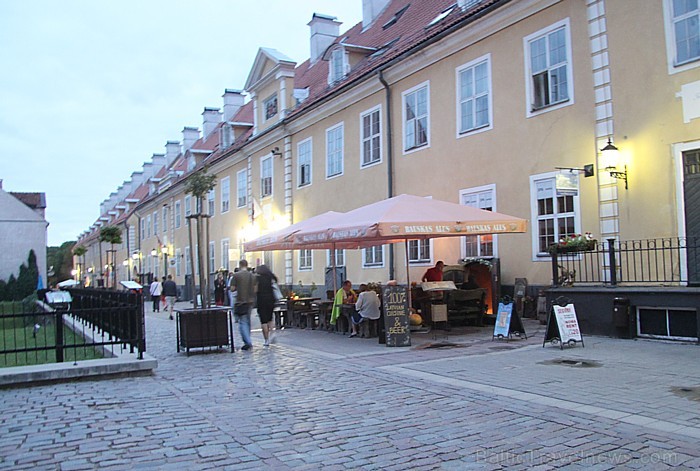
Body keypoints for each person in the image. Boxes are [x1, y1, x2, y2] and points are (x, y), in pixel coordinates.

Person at [229, 260, 256, 351]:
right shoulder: (252, 276)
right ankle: (247, 339)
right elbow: (256, 289)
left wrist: (238, 287)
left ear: (240, 265)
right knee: (248, 321)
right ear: (247, 265)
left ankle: (247, 342)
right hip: (250, 301)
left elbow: (232, 289)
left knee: (243, 322)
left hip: (241, 301)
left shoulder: (236, 276)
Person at [255, 264, 278, 347]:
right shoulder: (271, 277)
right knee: (270, 318)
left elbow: (255, 289)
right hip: (271, 299)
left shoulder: (258, 278)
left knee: (263, 321)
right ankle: (272, 332)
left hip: (261, 300)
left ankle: (266, 340)